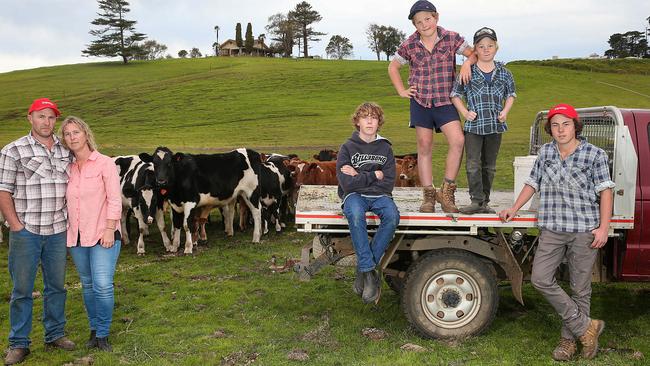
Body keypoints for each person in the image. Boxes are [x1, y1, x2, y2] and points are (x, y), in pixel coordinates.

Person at [499, 104, 613, 361]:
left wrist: (603, 227)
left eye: (566, 124)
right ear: (549, 129)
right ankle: (586, 327)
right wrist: (515, 208)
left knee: (580, 289)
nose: (560, 130)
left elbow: (606, 191)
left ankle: (569, 342)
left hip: (583, 228)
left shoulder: (594, 154)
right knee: (540, 278)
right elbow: (532, 183)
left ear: (575, 126)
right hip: (552, 227)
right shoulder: (546, 152)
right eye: (555, 125)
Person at [0, 98, 75, 365]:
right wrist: (16, 226)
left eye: (51, 117)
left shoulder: (66, 151)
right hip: (27, 232)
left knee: (56, 286)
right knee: (22, 289)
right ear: (30, 118)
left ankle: (54, 334)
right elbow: (3, 191)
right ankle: (19, 343)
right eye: (41, 116)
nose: (47, 122)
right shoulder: (13, 150)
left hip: (57, 230)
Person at [388, 0, 477, 213]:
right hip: (421, 102)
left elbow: (473, 53)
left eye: (427, 19)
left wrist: (466, 63)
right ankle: (428, 195)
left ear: (436, 17)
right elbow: (393, 66)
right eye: (419, 22)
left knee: (458, 140)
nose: (424, 24)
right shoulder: (410, 44)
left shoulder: (451, 38)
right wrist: (401, 90)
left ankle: (447, 192)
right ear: (414, 26)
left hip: (446, 101)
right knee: (424, 146)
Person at [60, 116, 122, 352]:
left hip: (102, 233)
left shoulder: (104, 163)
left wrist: (109, 229)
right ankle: (94, 330)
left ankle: (103, 334)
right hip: (76, 236)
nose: (72, 137)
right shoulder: (67, 167)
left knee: (103, 285)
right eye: (67, 134)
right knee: (87, 284)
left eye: (76, 132)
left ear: (86, 134)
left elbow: (115, 200)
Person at [336, 102, 400, 304]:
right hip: (354, 195)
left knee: (392, 216)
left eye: (374, 117)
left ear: (379, 122)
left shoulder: (385, 148)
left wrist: (359, 175)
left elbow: (388, 182)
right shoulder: (347, 147)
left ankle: (364, 270)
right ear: (357, 121)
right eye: (365, 117)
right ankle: (370, 272)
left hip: (380, 195)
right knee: (355, 214)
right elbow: (346, 183)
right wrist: (374, 174)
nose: (370, 120)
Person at [450, 27, 516, 214]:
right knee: (473, 164)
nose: (486, 49)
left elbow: (511, 94)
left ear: (496, 47)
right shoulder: (468, 71)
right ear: (476, 50)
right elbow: (455, 94)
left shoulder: (504, 73)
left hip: (495, 125)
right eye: (481, 46)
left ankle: (485, 202)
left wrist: (505, 111)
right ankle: (475, 201)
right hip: (474, 126)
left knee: (490, 166)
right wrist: (464, 112)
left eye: (490, 45)